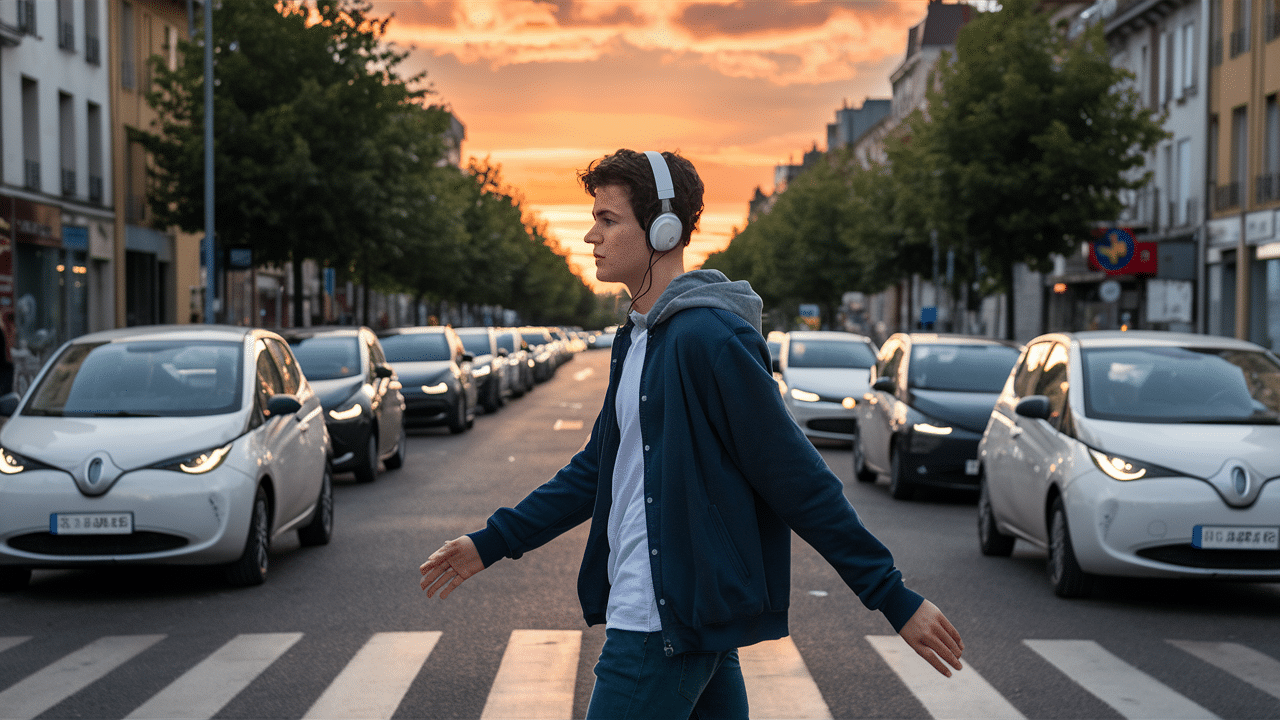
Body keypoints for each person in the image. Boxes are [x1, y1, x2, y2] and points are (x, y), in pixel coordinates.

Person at [419, 149, 963, 719]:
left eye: (608, 220)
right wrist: (493, 542)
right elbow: (597, 468)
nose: (590, 236)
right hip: (683, 617)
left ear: (663, 229)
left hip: (658, 621)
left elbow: (794, 476)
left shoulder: (709, 339)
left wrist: (891, 595)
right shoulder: (638, 339)